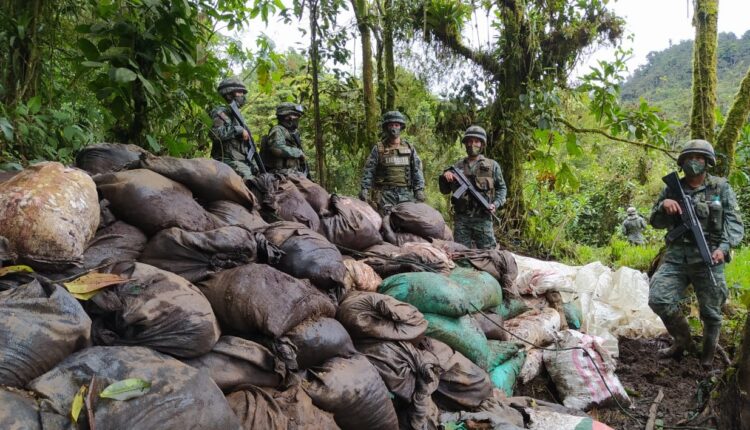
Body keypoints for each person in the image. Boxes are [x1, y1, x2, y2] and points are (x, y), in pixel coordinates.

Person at [648, 139, 744, 369]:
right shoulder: (672, 188)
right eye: (690, 158)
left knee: (711, 312)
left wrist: (723, 248)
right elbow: (655, 222)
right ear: (682, 162)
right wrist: (664, 205)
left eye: (699, 158)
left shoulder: (720, 188)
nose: (694, 162)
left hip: (709, 257)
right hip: (677, 257)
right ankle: (683, 342)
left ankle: (707, 358)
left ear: (707, 162)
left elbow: (735, 223)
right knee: (658, 298)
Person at [438, 125, 507, 249]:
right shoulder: (457, 166)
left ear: (482, 144)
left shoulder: (492, 165)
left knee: (488, 255)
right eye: (469, 141)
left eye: (476, 141)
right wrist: (445, 177)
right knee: (460, 254)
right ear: (465, 144)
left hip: (483, 218)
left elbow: (502, 188)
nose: (472, 144)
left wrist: (495, 204)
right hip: (462, 219)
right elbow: (445, 191)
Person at [358, 111, 426, 214]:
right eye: (391, 125)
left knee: (410, 223)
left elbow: (417, 170)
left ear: (401, 127)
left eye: (396, 125)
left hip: (406, 194)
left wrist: (419, 190)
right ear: (386, 127)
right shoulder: (379, 148)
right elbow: (369, 170)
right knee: (383, 223)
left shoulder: (409, 148)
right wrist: (365, 189)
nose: (394, 128)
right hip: (385, 195)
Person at [209, 77, 257, 180]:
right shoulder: (220, 111)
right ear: (229, 94)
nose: (242, 95)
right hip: (225, 159)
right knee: (250, 181)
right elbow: (215, 134)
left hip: (241, 160)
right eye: (239, 92)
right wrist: (237, 130)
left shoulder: (236, 115)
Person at [260, 102, 307, 176]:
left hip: (292, 173)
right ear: (288, 117)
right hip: (280, 174)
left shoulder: (292, 132)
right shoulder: (278, 130)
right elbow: (277, 148)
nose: (297, 119)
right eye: (296, 116)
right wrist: (298, 153)